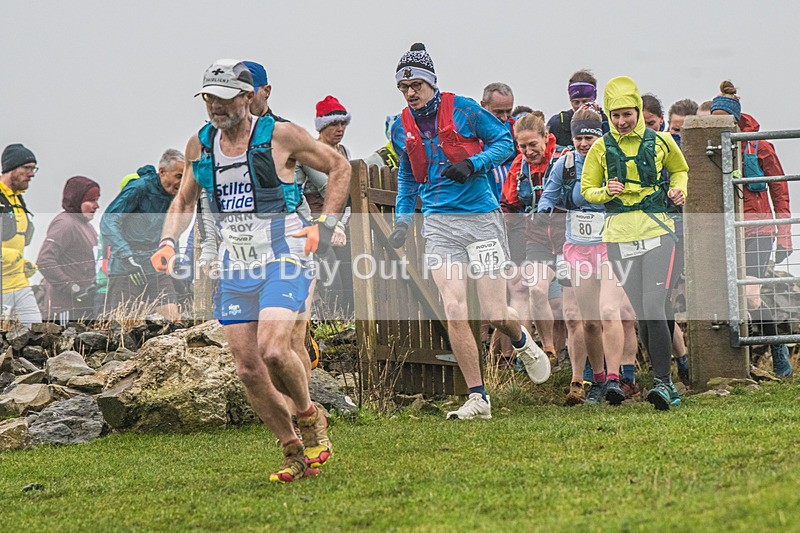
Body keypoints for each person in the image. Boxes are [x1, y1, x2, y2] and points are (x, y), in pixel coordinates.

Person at [151, 59, 350, 483]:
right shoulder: (200, 144)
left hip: (285, 254)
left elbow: (340, 168)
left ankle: (311, 416)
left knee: (275, 349)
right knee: (247, 367)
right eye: (208, 99)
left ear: (247, 97)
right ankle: (292, 448)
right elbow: (184, 201)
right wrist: (169, 241)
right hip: (235, 263)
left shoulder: (280, 135)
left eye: (223, 99)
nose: (215, 108)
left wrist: (326, 224)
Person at [388, 43, 550, 421]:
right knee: (454, 307)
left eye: (416, 85)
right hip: (439, 224)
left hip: (481, 219)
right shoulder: (401, 127)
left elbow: (506, 143)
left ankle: (523, 341)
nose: (410, 93)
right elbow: (407, 178)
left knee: (495, 312)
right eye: (403, 87)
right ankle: (478, 397)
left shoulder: (463, 109)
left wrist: (473, 165)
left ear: (431, 82)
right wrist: (400, 222)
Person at [581, 76, 689, 411]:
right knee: (645, 312)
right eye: (615, 115)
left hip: (657, 232)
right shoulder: (600, 148)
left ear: (639, 112)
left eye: (627, 114)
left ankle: (662, 383)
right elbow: (587, 189)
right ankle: (664, 379)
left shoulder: (661, 142)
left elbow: (680, 170)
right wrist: (605, 193)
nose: (621, 121)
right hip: (619, 238)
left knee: (655, 305)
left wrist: (678, 189)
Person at [537, 107, 628, 405]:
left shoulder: (611, 159)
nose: (584, 143)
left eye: (589, 136)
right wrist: (543, 211)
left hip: (609, 245)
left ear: (600, 136)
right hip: (577, 247)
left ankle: (616, 379)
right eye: (579, 137)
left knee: (609, 312)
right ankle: (598, 380)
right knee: (589, 322)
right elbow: (548, 194)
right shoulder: (565, 164)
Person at [710, 80, 793, 377]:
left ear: (735, 118)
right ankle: (744, 360)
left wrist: (784, 234)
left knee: (751, 293)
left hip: (759, 230)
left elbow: (780, 188)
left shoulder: (760, 144)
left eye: (724, 119)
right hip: (727, 231)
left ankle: (777, 349)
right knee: (730, 293)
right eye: (714, 119)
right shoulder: (709, 146)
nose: (720, 125)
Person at [500, 111, 565, 368]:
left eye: (533, 145)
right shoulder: (518, 167)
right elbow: (509, 204)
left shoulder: (564, 158)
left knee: (568, 306)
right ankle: (546, 349)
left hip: (566, 240)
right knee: (537, 290)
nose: (527, 151)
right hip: (536, 240)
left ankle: (582, 365)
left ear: (546, 137)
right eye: (522, 146)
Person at [100, 149, 185, 321]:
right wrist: (126, 256)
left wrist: (176, 264)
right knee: (123, 328)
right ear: (162, 171)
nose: (181, 182)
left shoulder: (175, 198)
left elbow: (171, 232)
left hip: (157, 267)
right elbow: (108, 221)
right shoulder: (139, 188)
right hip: (127, 269)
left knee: (172, 320)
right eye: (178, 176)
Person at [295, 95, 353, 315]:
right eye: (334, 124)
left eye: (343, 124)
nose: (340, 129)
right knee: (329, 273)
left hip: (340, 220)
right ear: (322, 126)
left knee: (349, 271)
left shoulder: (343, 152)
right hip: (315, 221)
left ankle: (345, 319)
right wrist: (330, 224)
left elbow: (349, 193)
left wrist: (341, 224)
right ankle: (329, 317)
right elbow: (329, 188)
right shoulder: (312, 151)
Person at [37, 176, 100, 324]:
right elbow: (44, 261)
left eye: (97, 200)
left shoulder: (87, 226)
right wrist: (73, 288)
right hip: (64, 309)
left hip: (83, 307)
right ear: (76, 200)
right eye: (91, 200)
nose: (96, 206)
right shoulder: (65, 224)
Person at [0, 144, 41, 326]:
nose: (32, 174)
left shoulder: (17, 199)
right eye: (27, 168)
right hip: (3, 287)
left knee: (36, 331)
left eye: (34, 169)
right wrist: (9, 256)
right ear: (11, 168)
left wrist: (22, 263)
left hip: (19, 282)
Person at [547, 70, 606, 151]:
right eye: (576, 102)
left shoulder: (607, 123)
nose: (581, 106)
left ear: (594, 99)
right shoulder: (558, 123)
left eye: (586, 101)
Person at [480, 82, 517, 200]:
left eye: (508, 111)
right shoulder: (468, 131)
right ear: (483, 105)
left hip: (511, 202)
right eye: (498, 112)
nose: (504, 117)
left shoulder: (516, 128)